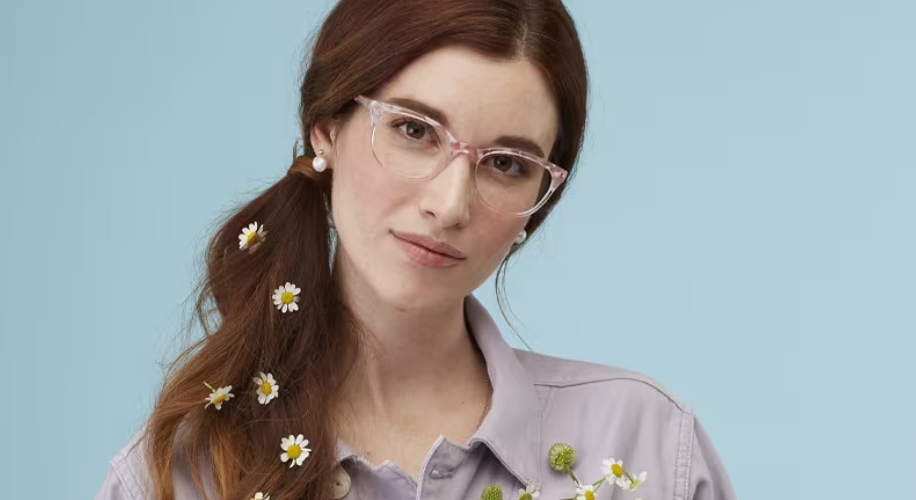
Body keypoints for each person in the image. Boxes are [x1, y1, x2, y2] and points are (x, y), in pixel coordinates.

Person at [95, 0, 737, 499]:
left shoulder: (646, 446)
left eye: (507, 164)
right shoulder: (182, 476)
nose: (450, 204)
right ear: (325, 130)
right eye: (413, 130)